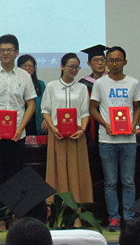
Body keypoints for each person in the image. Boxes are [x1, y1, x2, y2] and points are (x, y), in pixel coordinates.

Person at [0, 34, 37, 231]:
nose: (5, 53)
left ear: (16, 52)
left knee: (15, 176)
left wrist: (21, 127)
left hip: (17, 134)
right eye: (2, 50)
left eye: (9, 50)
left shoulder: (24, 76)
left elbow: (31, 104)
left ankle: (15, 216)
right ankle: (0, 219)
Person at [90, 46, 140, 231]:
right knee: (110, 182)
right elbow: (93, 108)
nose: (114, 64)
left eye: (118, 60)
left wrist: (133, 125)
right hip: (107, 140)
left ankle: (129, 217)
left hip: (128, 140)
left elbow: (138, 107)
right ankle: (114, 218)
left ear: (125, 62)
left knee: (128, 181)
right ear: (106, 62)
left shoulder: (133, 83)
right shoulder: (100, 83)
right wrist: (106, 124)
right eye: (110, 60)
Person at [41, 53, 93, 206]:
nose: (74, 70)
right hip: (57, 134)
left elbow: (85, 113)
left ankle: (77, 210)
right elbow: (45, 110)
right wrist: (53, 128)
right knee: (58, 171)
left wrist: (82, 130)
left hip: (77, 134)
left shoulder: (82, 88)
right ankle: (58, 210)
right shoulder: (52, 86)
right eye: (71, 66)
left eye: (77, 67)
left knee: (78, 171)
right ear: (62, 66)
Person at [78, 44, 108, 144]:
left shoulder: (112, 80)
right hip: (90, 122)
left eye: (103, 59)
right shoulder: (83, 84)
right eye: (96, 60)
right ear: (89, 63)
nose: (100, 63)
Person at [18, 54, 46, 136]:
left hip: (36, 122)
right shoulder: (15, 84)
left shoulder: (40, 85)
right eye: (24, 66)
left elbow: (46, 105)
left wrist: (46, 120)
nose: (27, 68)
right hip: (19, 121)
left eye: (30, 66)